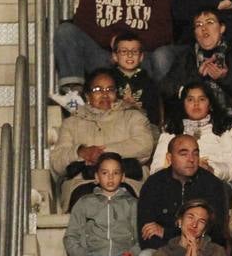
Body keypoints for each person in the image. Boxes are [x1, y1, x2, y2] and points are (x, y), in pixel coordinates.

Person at [55, 0, 175, 98]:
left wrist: (130, 44)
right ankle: (73, 95)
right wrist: (112, 40)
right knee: (66, 31)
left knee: (163, 56)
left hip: (141, 58)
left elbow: (165, 31)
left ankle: (158, 105)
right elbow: (82, 22)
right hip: (104, 57)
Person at [51, 69, 155, 209]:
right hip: (83, 183)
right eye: (98, 89)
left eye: (110, 89)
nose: (105, 94)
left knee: (122, 201)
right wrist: (81, 152)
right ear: (87, 95)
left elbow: (144, 146)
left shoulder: (133, 117)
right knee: (87, 203)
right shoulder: (71, 123)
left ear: (116, 94)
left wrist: (101, 153)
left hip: (126, 181)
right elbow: (57, 162)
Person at [158, 8, 232, 137]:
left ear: (222, 28)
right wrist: (196, 78)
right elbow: (166, 89)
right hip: (192, 125)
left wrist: (226, 78)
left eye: (210, 22)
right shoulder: (186, 57)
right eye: (199, 25)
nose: (204, 28)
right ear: (194, 33)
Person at [154, 81, 232, 184]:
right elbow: (156, 169)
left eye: (202, 99)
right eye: (190, 100)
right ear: (183, 104)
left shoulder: (224, 128)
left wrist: (211, 169)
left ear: (210, 104)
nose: (196, 104)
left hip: (214, 183)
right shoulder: (171, 130)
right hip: (177, 184)